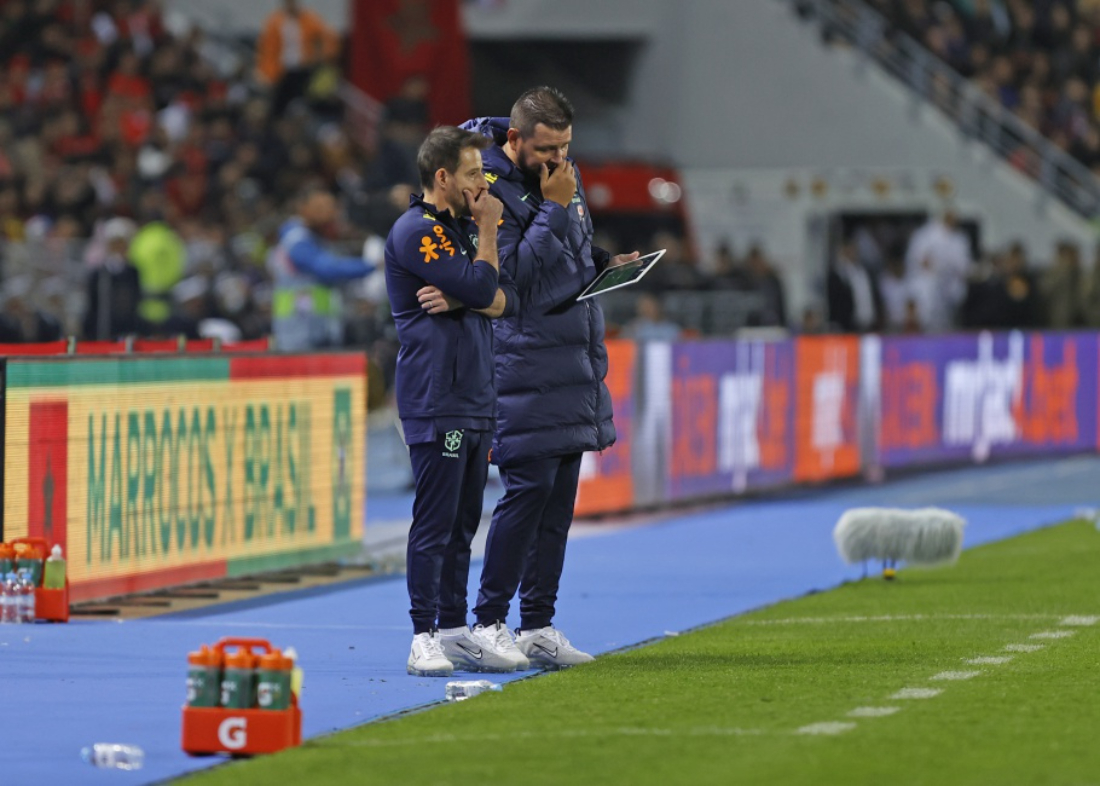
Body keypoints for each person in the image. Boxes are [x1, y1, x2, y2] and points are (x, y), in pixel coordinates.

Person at [462, 87, 639, 668]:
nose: (555, 159)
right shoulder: (483, 186)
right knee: (527, 492)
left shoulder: (561, 176)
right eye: (544, 149)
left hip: (570, 359)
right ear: (514, 140)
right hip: (520, 361)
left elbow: (569, 249)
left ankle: (537, 624)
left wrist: (603, 261)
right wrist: (556, 208)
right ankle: (486, 622)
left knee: (559, 500)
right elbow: (509, 279)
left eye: (564, 147)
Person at [385, 126, 524, 677]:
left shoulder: (460, 230)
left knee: (466, 521)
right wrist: (487, 242)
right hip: (435, 395)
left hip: (474, 394)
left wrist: (472, 293)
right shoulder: (416, 230)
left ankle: (453, 628)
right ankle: (422, 635)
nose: (483, 184)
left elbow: (504, 298)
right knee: (436, 520)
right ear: (441, 177)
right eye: (472, 173)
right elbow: (481, 284)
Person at [268, 185, 376, 351]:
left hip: (322, 334)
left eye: (331, 206)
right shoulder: (296, 241)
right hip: (298, 337)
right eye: (320, 207)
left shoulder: (320, 240)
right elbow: (328, 269)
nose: (328, 212)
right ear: (302, 208)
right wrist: (373, 265)